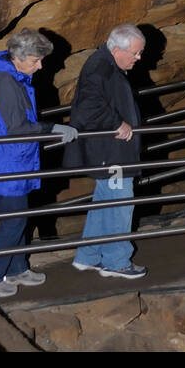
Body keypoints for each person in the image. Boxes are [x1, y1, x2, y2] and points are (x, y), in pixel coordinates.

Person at [0, 29, 77, 298]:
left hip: (16, 158)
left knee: (20, 217)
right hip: (6, 161)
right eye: (35, 60)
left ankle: (17, 267)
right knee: (14, 221)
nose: (40, 66)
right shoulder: (5, 80)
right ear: (18, 57)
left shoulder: (15, 76)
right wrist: (51, 128)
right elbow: (17, 127)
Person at [64, 24, 147, 279]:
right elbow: (88, 107)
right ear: (117, 49)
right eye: (135, 53)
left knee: (104, 203)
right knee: (120, 205)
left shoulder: (105, 65)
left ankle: (88, 256)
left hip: (110, 151)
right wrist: (116, 123)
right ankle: (116, 262)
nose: (139, 58)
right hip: (111, 154)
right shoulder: (100, 67)